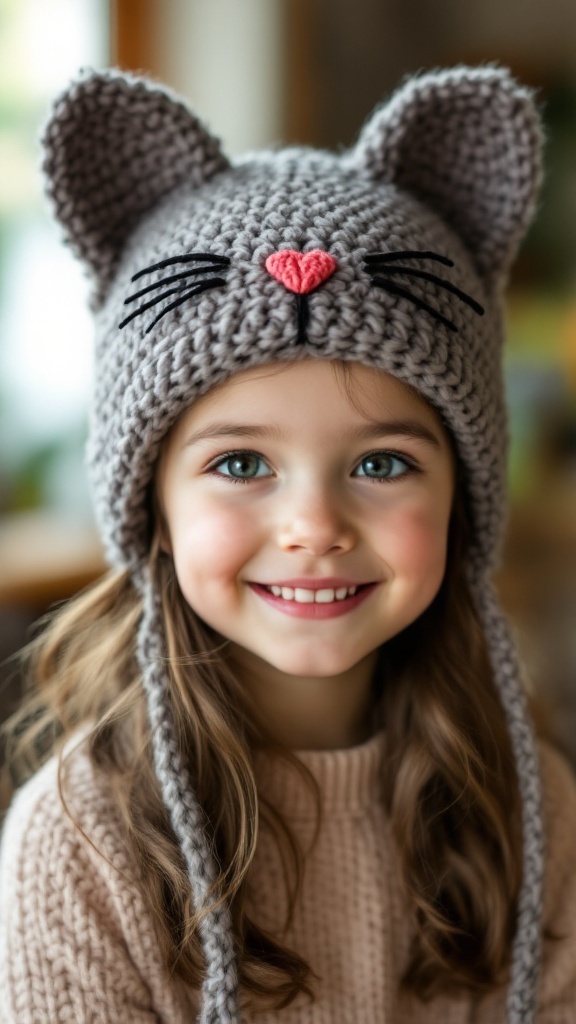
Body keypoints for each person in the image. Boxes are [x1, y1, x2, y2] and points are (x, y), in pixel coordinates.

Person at [1, 64, 575, 1024]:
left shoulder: (534, 813)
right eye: (239, 465)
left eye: (384, 464)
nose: (314, 525)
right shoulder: (80, 847)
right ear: (152, 505)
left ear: (464, 500)